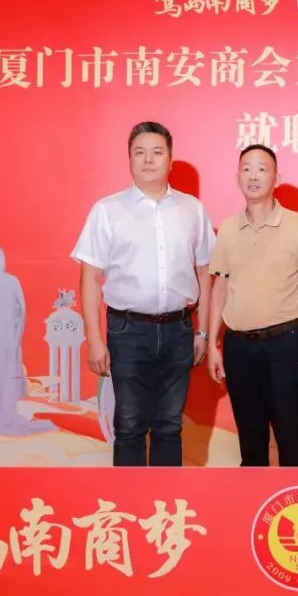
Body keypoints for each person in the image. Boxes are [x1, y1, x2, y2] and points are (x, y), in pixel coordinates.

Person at [71, 121, 215, 467]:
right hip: (127, 331)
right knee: (129, 425)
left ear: (170, 159)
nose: (148, 160)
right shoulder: (108, 210)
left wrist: (203, 333)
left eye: (157, 152)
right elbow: (90, 277)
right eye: (140, 152)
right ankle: (128, 499)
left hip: (179, 329)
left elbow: (205, 272)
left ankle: (167, 499)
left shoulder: (192, 209)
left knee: (170, 425)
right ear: (129, 159)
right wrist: (94, 339)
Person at [206, 144, 298, 467]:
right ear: (237, 178)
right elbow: (219, 290)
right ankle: (252, 501)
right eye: (246, 169)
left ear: (276, 177)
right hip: (238, 348)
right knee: (251, 444)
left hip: (285, 346)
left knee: (291, 443)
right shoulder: (228, 229)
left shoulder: (297, 225)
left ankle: (295, 499)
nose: (253, 176)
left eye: (262, 169)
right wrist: (213, 343)